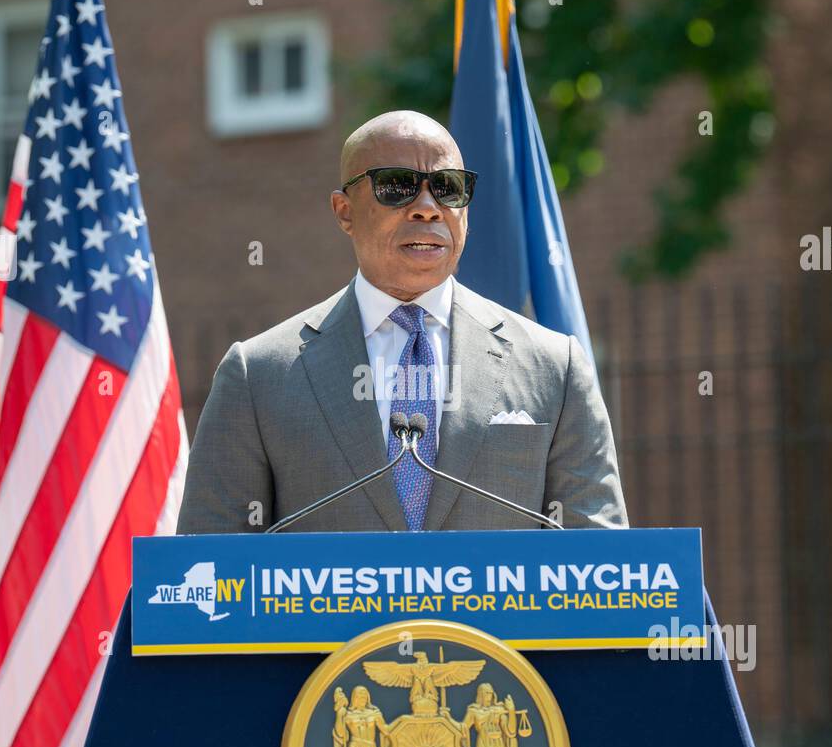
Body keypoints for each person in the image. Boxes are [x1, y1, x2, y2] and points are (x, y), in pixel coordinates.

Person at [178, 110, 626, 534]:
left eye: (448, 187)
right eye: (397, 186)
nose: (427, 208)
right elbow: (209, 568)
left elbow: (606, 565)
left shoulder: (555, 366)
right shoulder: (256, 376)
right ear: (344, 211)